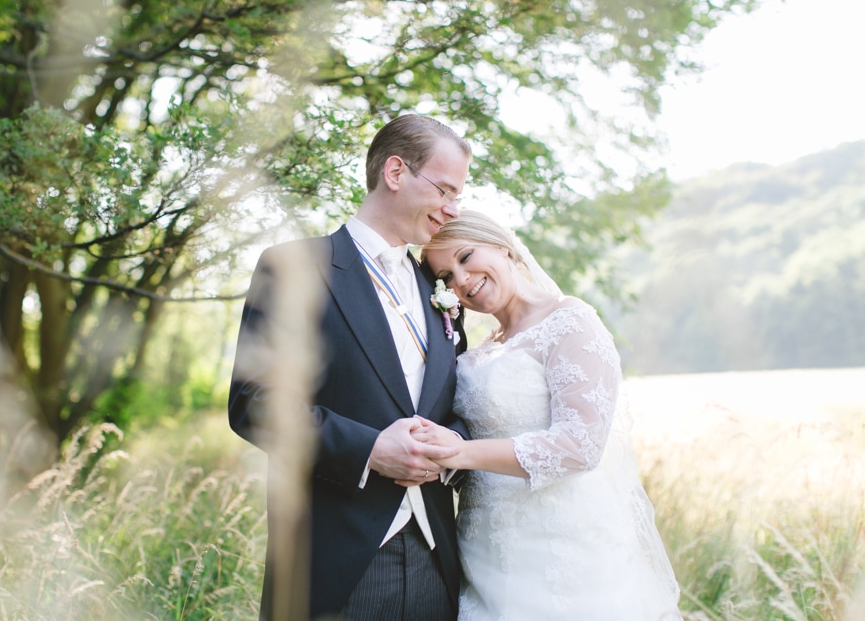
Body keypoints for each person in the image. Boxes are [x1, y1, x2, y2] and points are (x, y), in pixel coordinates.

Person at [228, 114, 474, 620]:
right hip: (331, 562)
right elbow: (253, 403)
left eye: (459, 196)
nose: (453, 210)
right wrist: (371, 450)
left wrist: (450, 447)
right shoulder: (294, 267)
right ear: (397, 172)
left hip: (436, 558)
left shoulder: (442, 287)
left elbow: (457, 399)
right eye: (445, 190)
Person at [417, 210, 683, 620]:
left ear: (503, 246)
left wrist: (460, 454)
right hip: (483, 543)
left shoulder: (570, 322)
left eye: (466, 257)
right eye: (446, 277)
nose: (462, 280)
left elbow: (580, 446)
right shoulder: (480, 348)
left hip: (563, 545)